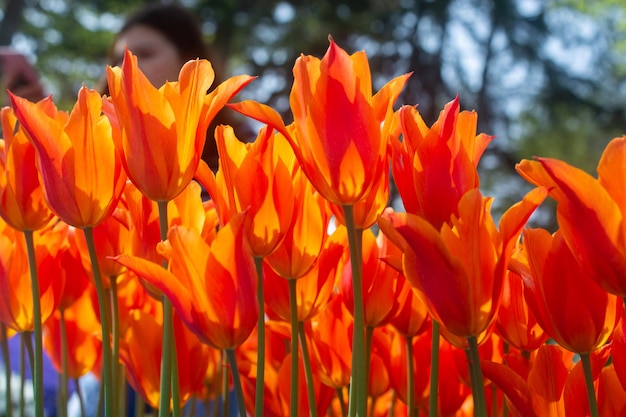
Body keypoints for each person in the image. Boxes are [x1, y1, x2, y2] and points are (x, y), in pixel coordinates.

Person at [102, 2, 253, 171]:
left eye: (145, 54)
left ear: (186, 59)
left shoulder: (244, 146)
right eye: (118, 59)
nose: (125, 68)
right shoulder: (97, 147)